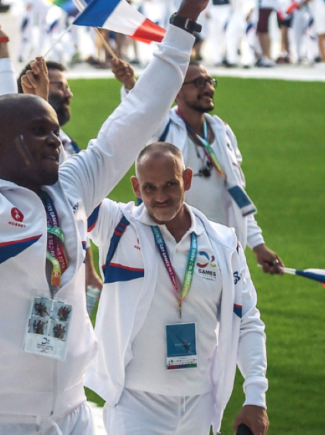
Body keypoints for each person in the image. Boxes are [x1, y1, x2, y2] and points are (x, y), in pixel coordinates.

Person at [0, 0, 231, 434]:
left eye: (54, 129)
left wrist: (187, 14)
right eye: (40, 132)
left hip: (74, 415)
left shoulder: (69, 186)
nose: (55, 140)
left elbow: (139, 113)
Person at [87, 143, 268, 435]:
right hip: (135, 406)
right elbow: (70, 184)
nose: (161, 197)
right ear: (135, 186)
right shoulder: (117, 226)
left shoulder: (223, 242)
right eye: (149, 188)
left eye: (170, 185)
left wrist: (256, 396)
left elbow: (246, 319)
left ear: (187, 179)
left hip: (200, 406)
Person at [112, 60, 284, 276]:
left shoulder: (222, 131)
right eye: (199, 83)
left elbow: (236, 195)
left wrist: (258, 245)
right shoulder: (164, 126)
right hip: (174, 247)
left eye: (210, 82)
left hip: (221, 246)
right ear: (177, 91)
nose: (208, 88)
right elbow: (141, 114)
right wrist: (130, 85)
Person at [0, 20, 104, 308]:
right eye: (60, 87)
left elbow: (75, 212)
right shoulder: (21, 143)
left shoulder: (68, 145)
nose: (69, 94)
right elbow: (5, 91)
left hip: (70, 270)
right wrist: (2, 45)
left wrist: (89, 268)